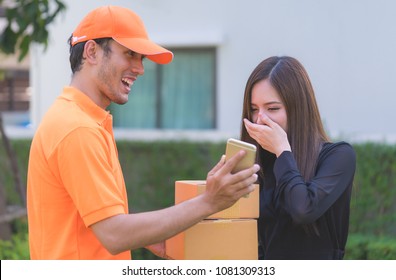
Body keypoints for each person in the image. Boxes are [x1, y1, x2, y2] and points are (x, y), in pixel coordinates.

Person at [26, 5, 260, 260]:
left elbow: (100, 222)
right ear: (92, 51)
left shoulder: (78, 119)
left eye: (141, 58)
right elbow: (114, 234)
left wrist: (149, 234)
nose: (140, 68)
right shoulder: (78, 129)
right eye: (129, 54)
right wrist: (209, 202)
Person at [240, 56, 356, 260]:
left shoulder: (339, 156)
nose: (260, 119)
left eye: (273, 108)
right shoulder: (260, 163)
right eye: (254, 109)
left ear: (298, 108)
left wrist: (283, 151)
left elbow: (303, 210)